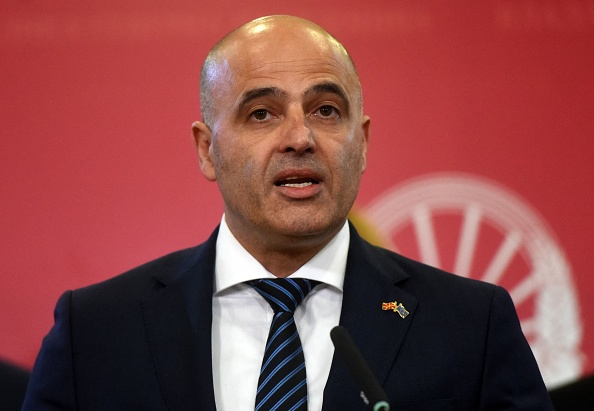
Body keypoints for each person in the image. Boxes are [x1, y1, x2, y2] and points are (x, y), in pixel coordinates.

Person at [22, 15, 554, 410]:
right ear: (208, 150)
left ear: (361, 143)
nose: (299, 138)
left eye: (326, 110)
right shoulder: (95, 333)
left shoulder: (470, 327)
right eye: (261, 113)